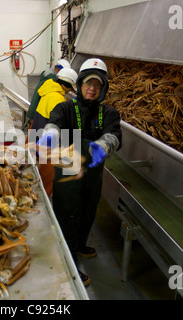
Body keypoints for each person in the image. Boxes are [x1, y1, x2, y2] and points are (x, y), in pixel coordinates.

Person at [37, 58, 122, 286]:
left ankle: (81, 244)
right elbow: (54, 122)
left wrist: (103, 146)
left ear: (103, 88)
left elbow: (114, 135)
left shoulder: (108, 112)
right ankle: (69, 262)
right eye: (87, 83)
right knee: (68, 212)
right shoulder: (65, 107)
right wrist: (51, 134)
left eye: (97, 84)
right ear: (80, 84)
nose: (91, 88)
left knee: (88, 208)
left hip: (93, 169)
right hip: (68, 168)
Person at [29, 67, 78, 197]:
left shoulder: (48, 90)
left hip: (37, 133)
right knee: (48, 174)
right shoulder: (58, 100)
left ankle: (37, 191)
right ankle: (42, 199)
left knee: (40, 169)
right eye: (71, 88)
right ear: (68, 86)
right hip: (48, 144)